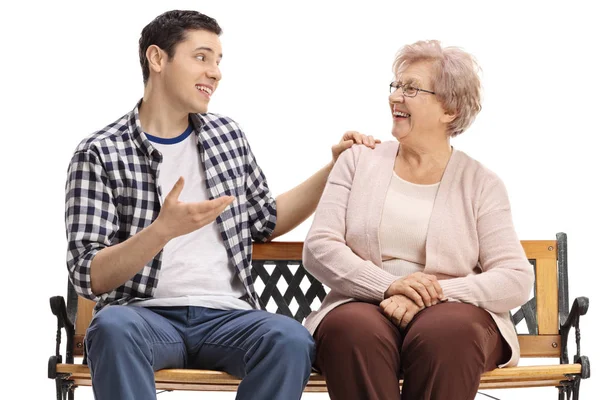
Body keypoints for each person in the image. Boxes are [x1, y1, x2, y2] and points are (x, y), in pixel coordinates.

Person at [64, 10, 376, 400]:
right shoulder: (100, 152)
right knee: (111, 328)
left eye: (218, 60)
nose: (215, 72)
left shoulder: (227, 137)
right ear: (157, 59)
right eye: (201, 57)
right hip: (144, 316)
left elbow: (265, 220)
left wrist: (334, 168)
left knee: (289, 339)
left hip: (230, 317)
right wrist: (162, 230)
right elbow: (88, 275)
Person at [302, 40, 535, 400]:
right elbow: (319, 248)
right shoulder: (357, 161)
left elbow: (515, 278)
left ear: (450, 110)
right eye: (396, 86)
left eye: (411, 88)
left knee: (447, 333)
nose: (397, 97)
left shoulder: (481, 183)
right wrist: (387, 286)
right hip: (363, 305)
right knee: (352, 329)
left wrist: (434, 294)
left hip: (453, 315)